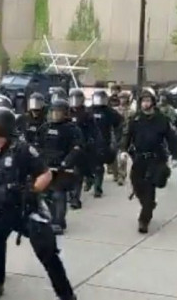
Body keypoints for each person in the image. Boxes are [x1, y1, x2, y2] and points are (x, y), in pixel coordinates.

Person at [0, 107, 76, 300]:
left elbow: (46, 174)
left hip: (24, 210)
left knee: (47, 252)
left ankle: (67, 296)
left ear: (1, 128)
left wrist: (33, 190)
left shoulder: (21, 149)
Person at [120, 88, 177, 234]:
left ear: (153, 102)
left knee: (150, 189)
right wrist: (123, 150)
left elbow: (172, 138)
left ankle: (144, 220)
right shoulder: (135, 119)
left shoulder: (162, 119)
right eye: (142, 101)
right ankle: (149, 204)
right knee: (138, 187)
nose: (145, 104)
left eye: (148, 100)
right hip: (139, 158)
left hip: (156, 159)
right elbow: (127, 136)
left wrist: (175, 155)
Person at [39, 99, 83, 234]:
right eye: (53, 112)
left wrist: (66, 163)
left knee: (59, 194)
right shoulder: (45, 128)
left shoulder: (72, 129)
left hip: (63, 168)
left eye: (58, 112)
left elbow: (77, 148)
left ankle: (59, 221)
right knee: (46, 194)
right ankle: (53, 218)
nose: (55, 115)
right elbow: (37, 145)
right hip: (46, 167)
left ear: (65, 113)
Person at [68, 88, 100, 208]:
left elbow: (94, 131)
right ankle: (71, 196)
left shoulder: (87, 114)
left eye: (77, 99)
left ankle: (75, 198)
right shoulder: (66, 112)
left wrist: (91, 142)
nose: (75, 101)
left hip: (83, 146)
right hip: (68, 147)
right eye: (73, 99)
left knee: (78, 173)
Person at [89, 90, 123, 198]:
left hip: (103, 142)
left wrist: (116, 139)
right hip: (88, 142)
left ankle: (97, 189)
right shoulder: (89, 110)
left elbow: (119, 123)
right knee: (85, 164)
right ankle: (88, 180)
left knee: (99, 166)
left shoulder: (109, 112)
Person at [113, 91, 135, 186]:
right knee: (113, 155)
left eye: (124, 98)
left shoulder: (131, 111)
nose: (122, 100)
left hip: (126, 134)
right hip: (115, 134)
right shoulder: (115, 110)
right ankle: (115, 173)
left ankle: (121, 175)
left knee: (123, 155)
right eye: (121, 98)